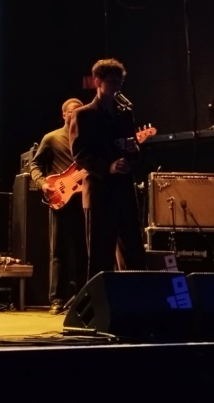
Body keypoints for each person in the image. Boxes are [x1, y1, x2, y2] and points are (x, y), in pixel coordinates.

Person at [69, 58, 146, 278]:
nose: (117, 86)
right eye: (112, 81)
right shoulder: (83, 114)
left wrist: (132, 150)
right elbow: (80, 154)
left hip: (124, 191)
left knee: (134, 252)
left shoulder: (125, 113)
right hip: (100, 193)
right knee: (100, 256)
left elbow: (135, 151)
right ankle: (100, 304)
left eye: (119, 81)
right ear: (97, 82)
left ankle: (135, 300)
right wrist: (108, 167)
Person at [29, 98, 88, 314]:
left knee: (84, 250)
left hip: (83, 200)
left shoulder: (87, 138)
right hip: (60, 200)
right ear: (64, 115)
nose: (76, 114)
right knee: (59, 251)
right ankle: (57, 299)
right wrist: (42, 183)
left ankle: (83, 297)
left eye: (80, 111)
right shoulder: (52, 138)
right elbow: (34, 164)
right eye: (73, 111)